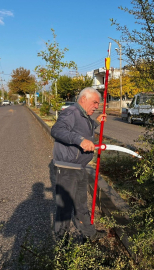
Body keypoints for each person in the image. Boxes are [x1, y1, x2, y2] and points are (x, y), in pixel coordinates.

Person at [51, 87, 107, 241]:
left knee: (81, 205)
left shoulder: (83, 114)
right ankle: (62, 241)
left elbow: (81, 128)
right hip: (67, 167)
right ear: (84, 99)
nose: (97, 106)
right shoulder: (72, 112)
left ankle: (89, 234)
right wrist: (80, 141)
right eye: (95, 102)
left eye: (98, 103)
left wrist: (96, 123)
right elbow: (57, 130)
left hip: (79, 167)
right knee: (65, 207)